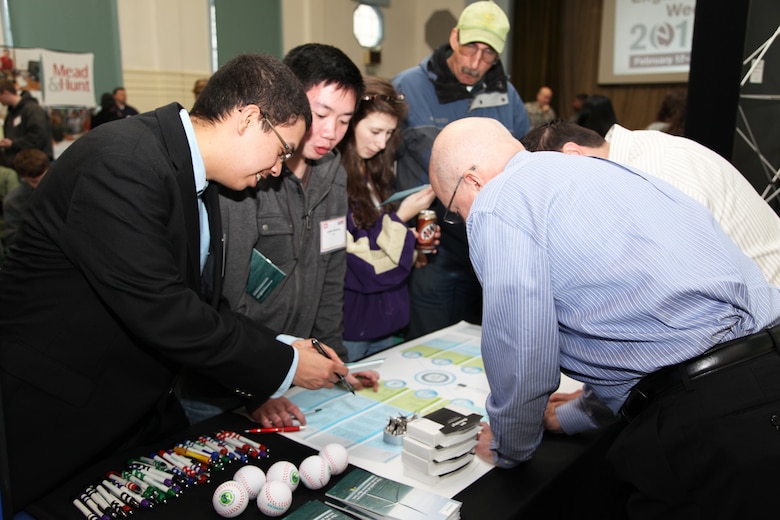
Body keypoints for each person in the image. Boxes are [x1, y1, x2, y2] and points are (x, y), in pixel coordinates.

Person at [0, 53, 351, 512]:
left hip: (132, 409)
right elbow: (163, 310)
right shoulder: (123, 161)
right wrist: (284, 362)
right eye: (282, 150)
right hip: (59, 414)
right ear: (249, 119)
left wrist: (286, 343)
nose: (279, 169)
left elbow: (200, 303)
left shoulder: (194, 177)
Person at [429, 117, 780, 518]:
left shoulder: (498, 199)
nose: (465, 222)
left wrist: (508, 446)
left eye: (455, 210)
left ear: (472, 182)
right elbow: (643, 324)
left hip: (702, 427)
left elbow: (523, 350)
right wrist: (576, 413)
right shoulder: (612, 171)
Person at [180, 43, 375, 429]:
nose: (331, 132)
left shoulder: (332, 174)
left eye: (344, 120)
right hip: (225, 386)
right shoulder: (247, 174)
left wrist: (332, 362)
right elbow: (224, 299)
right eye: (321, 115)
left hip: (294, 377)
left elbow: (330, 274)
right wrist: (257, 389)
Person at [392, 0, 530, 339]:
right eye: (471, 48)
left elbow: (525, 163)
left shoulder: (506, 97)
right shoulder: (408, 87)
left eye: (488, 54)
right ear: (454, 38)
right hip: (431, 242)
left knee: (483, 342)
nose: (476, 62)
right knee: (427, 340)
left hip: (488, 244)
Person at [521, 120, 780, 286]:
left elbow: (685, 278)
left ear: (573, 155)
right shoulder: (635, 152)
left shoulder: (655, 171)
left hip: (766, 321)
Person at [338, 76, 436, 361]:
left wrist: (412, 245)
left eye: (389, 133)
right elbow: (361, 261)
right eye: (375, 131)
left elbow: (374, 236)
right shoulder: (331, 180)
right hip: (353, 322)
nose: (381, 143)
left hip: (385, 318)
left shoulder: (372, 172)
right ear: (349, 123)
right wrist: (402, 217)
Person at [2, 148, 49, 248]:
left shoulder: (63, 187)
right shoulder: (13, 201)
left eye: (44, 179)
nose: (39, 186)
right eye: (34, 182)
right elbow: (12, 238)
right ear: (23, 177)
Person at [0, 78, 54, 165]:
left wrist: (13, 144)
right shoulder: (10, 115)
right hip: (21, 165)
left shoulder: (32, 110)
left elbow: (39, 137)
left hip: (35, 166)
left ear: (5, 93)